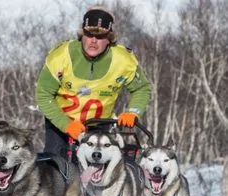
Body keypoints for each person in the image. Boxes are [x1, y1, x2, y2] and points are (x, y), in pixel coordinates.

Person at [35, 6, 151, 162]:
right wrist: (66, 125)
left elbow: (141, 89)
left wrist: (133, 112)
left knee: (101, 170)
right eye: (89, 34)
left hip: (100, 126)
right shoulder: (61, 56)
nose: (94, 41)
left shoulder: (123, 60)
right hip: (61, 124)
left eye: (101, 36)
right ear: (82, 35)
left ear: (109, 38)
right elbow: (43, 94)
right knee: (55, 169)